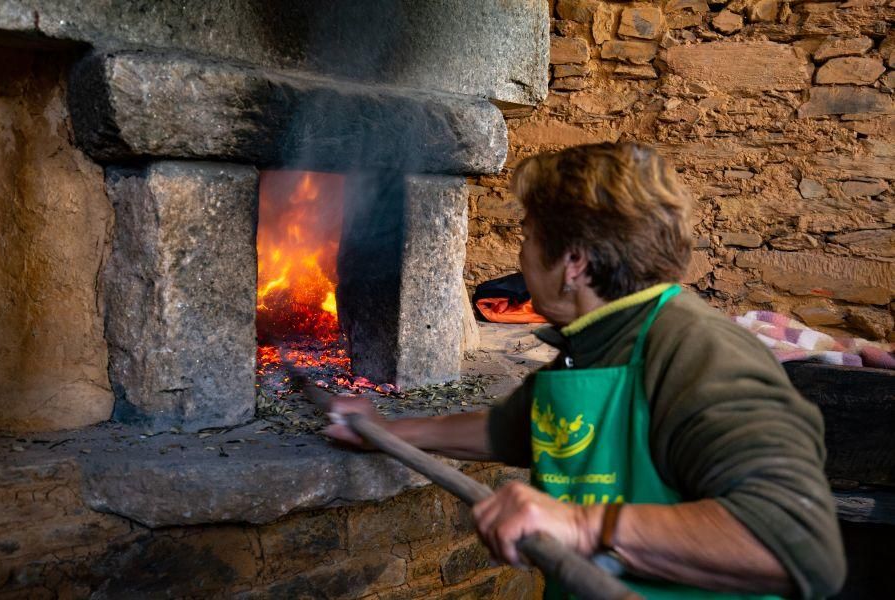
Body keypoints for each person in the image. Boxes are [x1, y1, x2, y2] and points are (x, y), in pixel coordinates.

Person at [324, 143, 845, 599]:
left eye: (526, 236)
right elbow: (511, 429)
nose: (521, 254)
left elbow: (799, 544)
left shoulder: (696, 349)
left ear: (572, 262)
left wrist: (581, 524)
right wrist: (381, 431)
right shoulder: (595, 342)